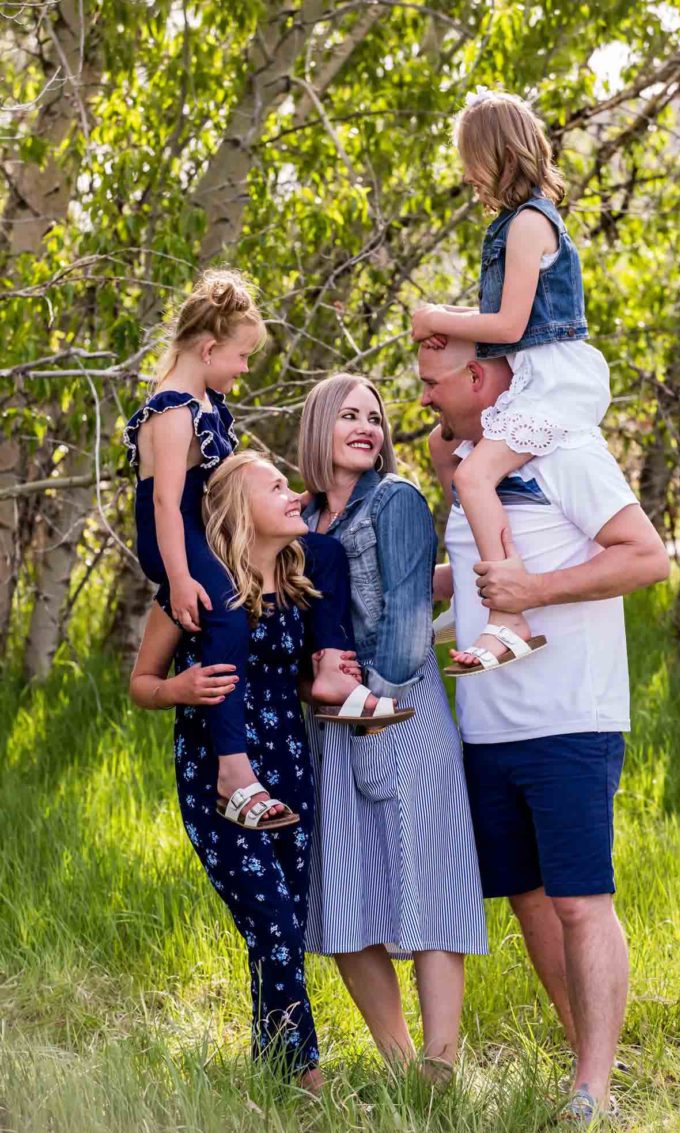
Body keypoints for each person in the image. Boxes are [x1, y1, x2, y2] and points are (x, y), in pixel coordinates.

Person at [419, 337, 670, 1123]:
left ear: (481, 376)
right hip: (486, 725)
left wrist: (539, 588)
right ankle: (581, 1073)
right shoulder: (466, 467)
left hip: (572, 715)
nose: (422, 400)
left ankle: (597, 1087)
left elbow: (647, 558)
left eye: (432, 383)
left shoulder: (567, 449)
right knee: (528, 900)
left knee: (578, 902)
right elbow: (474, 575)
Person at [124, 270, 399, 830]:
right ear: (208, 348)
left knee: (322, 555)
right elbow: (165, 506)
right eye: (242, 355)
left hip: (206, 534)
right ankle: (232, 770)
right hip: (173, 538)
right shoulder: (173, 410)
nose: (245, 368)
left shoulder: (205, 401)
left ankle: (330, 671)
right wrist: (179, 578)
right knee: (225, 610)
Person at [130, 450, 355, 1090]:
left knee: (279, 927)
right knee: (272, 921)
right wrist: (177, 690)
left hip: (287, 763)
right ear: (238, 508)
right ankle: (306, 1074)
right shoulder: (195, 594)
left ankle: (274, 1067)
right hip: (218, 774)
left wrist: (332, 686)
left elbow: (298, 684)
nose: (293, 495)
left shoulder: (295, 585)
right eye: (276, 486)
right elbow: (141, 684)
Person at [298, 373, 487, 1081]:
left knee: (428, 885)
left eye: (374, 418)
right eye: (348, 415)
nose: (366, 428)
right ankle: (400, 1064)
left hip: (399, 712)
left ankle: (440, 1067)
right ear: (318, 426)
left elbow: (408, 621)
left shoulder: (397, 501)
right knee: (347, 895)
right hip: (330, 724)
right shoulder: (303, 516)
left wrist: (371, 708)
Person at [411, 89, 611, 678]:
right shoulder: (508, 225)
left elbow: (510, 324)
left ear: (497, 154)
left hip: (555, 381)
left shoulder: (527, 224)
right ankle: (474, 590)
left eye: (470, 160)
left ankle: (511, 615)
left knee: (475, 473)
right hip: (530, 373)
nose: (466, 174)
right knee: (445, 447)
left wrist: (436, 318)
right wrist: (447, 326)